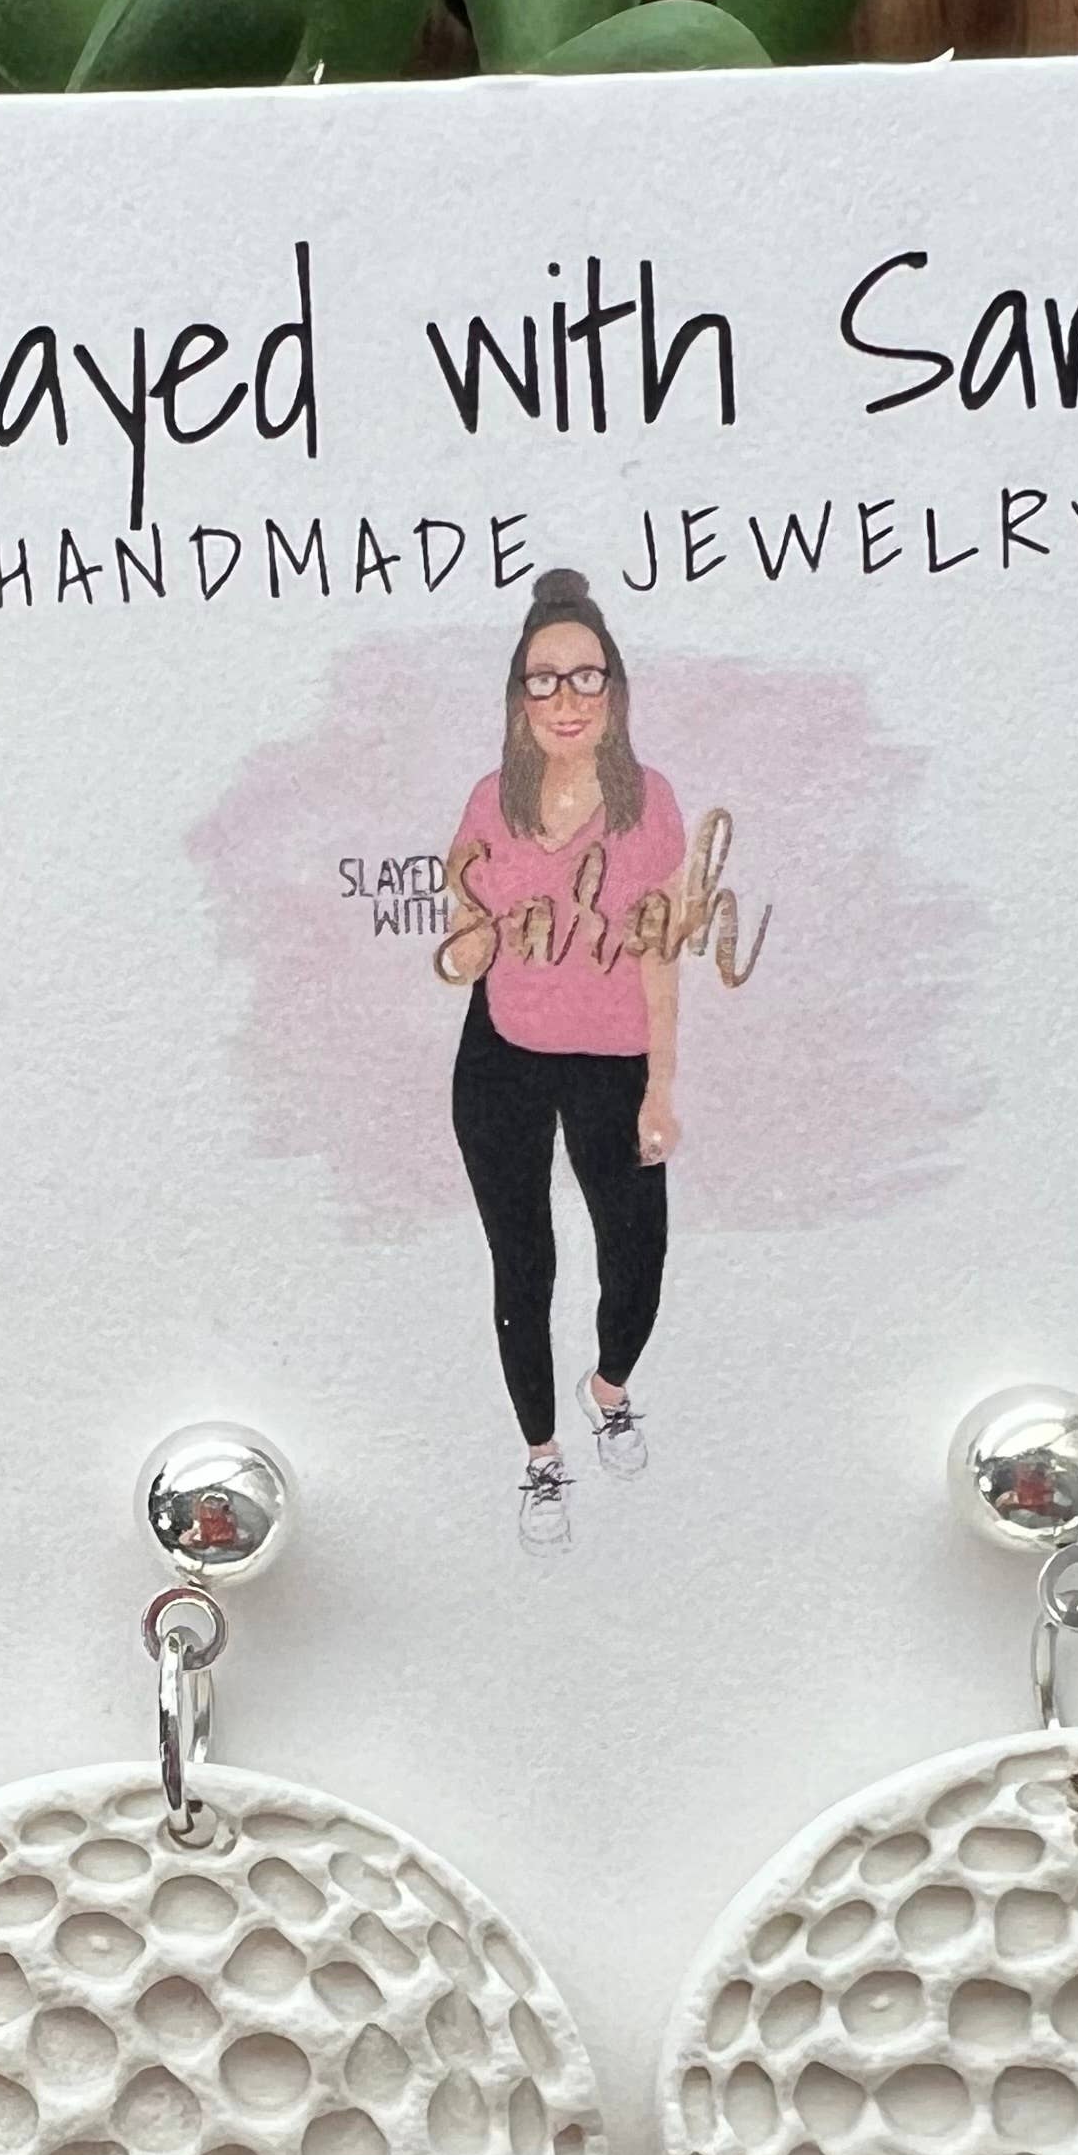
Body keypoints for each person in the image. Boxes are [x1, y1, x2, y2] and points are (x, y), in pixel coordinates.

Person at [438, 570, 683, 1553]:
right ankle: (541, 1454)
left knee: (636, 1256)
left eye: (586, 676)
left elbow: (660, 950)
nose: (566, 699)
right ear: (518, 697)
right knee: (523, 1263)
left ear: (614, 689)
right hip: (501, 1053)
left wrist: (660, 1084)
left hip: (612, 1060)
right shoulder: (489, 801)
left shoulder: (648, 803)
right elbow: (463, 934)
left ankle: (608, 1388)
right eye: (544, 680)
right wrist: (468, 934)